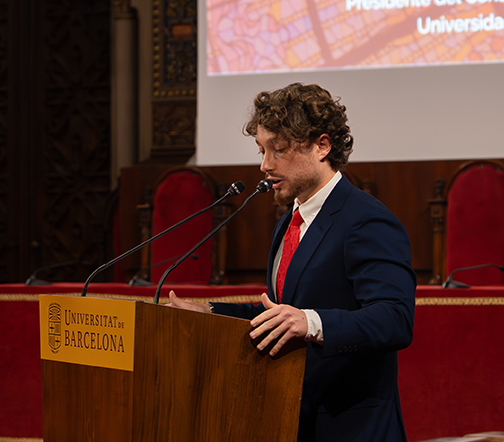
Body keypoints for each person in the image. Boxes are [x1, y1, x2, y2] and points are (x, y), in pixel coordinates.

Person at [168, 82, 416, 442]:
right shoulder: (290, 219)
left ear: (322, 146)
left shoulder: (365, 219)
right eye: (261, 150)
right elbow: (284, 314)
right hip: (290, 418)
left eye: (278, 150)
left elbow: (395, 319)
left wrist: (311, 322)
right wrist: (210, 312)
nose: (264, 165)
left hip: (350, 426)